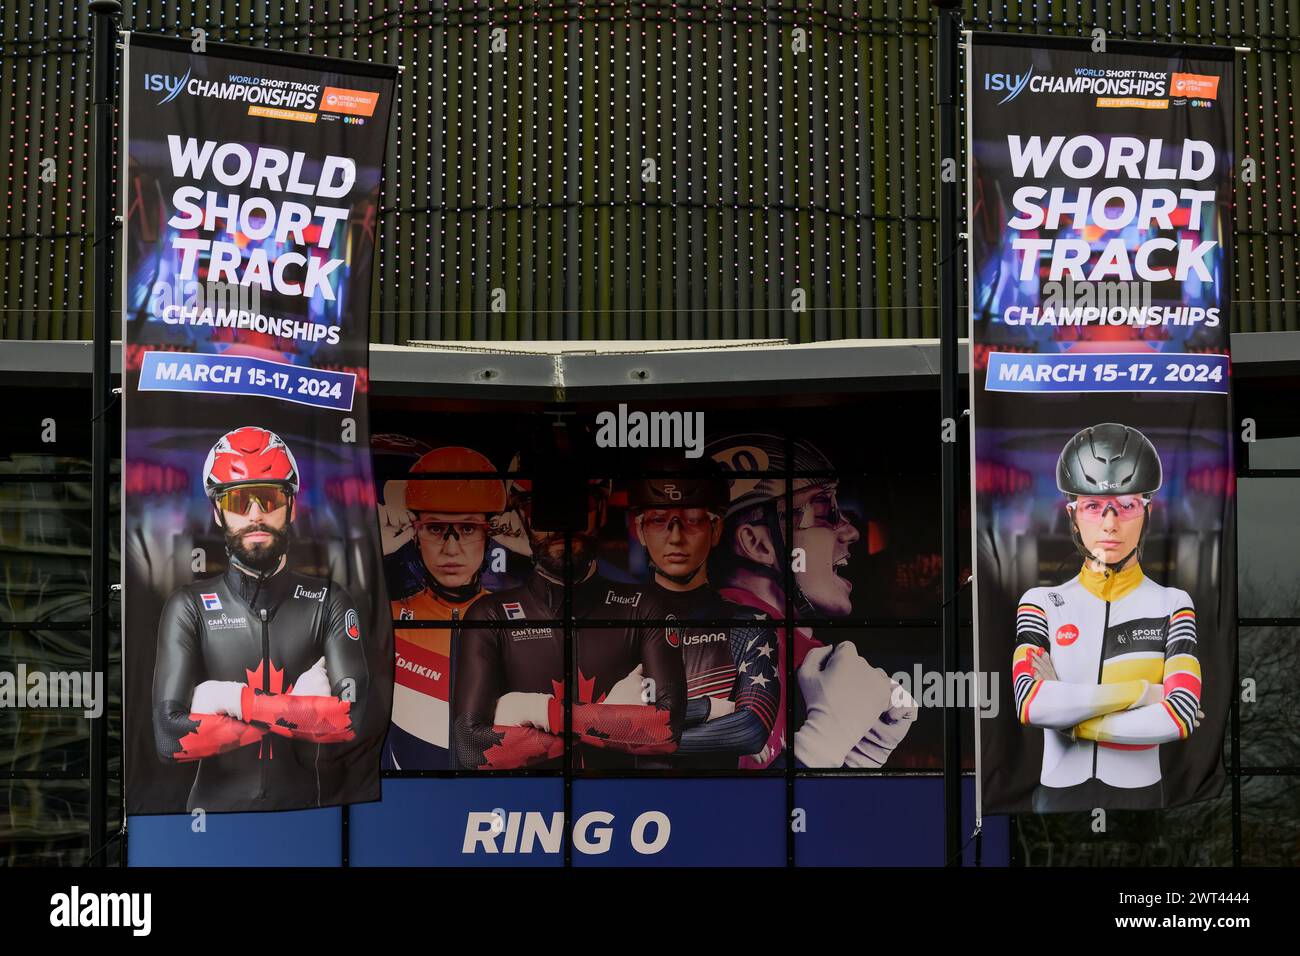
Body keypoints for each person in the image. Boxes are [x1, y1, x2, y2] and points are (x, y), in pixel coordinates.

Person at [151, 426, 369, 811]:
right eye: (238, 500)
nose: (255, 515)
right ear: (218, 511)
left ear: (292, 506)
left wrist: (227, 698)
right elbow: (169, 739)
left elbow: (351, 723)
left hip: (308, 822)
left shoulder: (328, 600)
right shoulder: (189, 605)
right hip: (211, 824)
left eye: (268, 499)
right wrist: (297, 710)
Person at [1013, 423, 1204, 812]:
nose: (1110, 523)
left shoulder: (1173, 603)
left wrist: (1074, 724)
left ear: (1147, 511)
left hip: (1144, 800)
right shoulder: (1041, 602)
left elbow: (1180, 714)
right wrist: (1144, 693)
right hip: (1056, 797)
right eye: (1093, 505)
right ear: (1073, 514)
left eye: (1127, 505)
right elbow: (1031, 704)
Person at [451, 468, 686, 770]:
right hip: (525, 813)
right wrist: (613, 721)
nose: (562, 525)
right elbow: (471, 748)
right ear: (523, 518)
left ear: (602, 511)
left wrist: (537, 711)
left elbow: (667, 730)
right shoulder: (490, 614)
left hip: (626, 810)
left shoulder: (645, 606)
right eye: (546, 511)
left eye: (577, 507)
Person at [707, 433, 917, 769]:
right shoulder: (725, 649)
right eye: (824, 511)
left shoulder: (797, 653)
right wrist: (817, 751)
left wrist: (853, 763)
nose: (850, 532)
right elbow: (729, 815)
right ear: (758, 544)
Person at [624, 458, 781, 769]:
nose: (676, 536)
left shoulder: (749, 625)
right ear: (640, 529)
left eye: (693, 519)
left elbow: (750, 730)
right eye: (659, 520)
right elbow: (589, 727)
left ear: (716, 527)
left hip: (716, 805)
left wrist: (639, 737)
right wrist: (709, 708)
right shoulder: (610, 622)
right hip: (632, 808)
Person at [378, 446, 507, 769]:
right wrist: (371, 551)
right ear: (414, 533)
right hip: (408, 801)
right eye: (436, 528)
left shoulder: (511, 618)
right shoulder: (387, 615)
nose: (451, 548)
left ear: (489, 534)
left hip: (490, 803)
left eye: (467, 528)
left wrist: (534, 549)